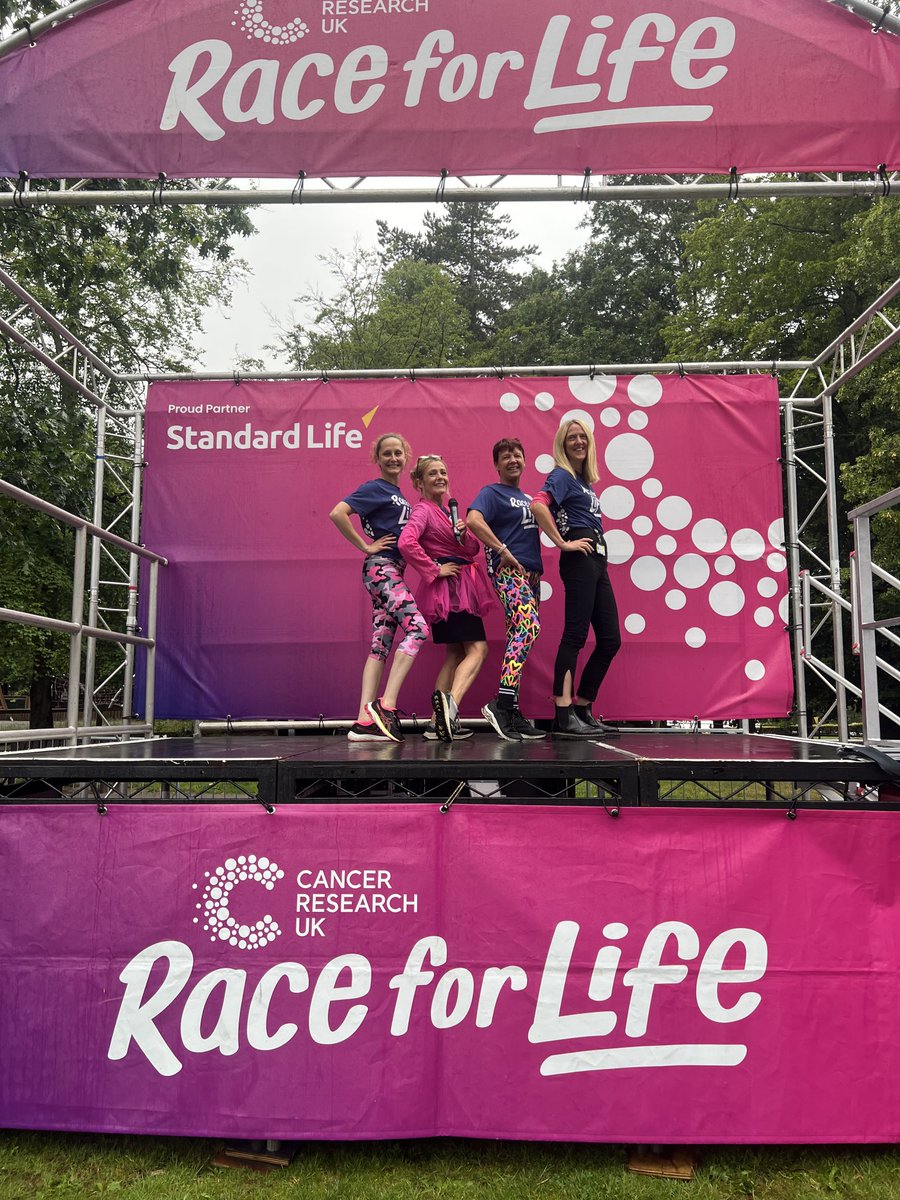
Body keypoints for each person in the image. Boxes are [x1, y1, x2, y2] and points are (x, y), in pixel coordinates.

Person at [328, 432, 427, 743]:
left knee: (380, 645)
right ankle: (385, 707)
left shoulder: (399, 494)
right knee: (418, 629)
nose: (393, 458)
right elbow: (337, 513)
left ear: (406, 456)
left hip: (390, 570)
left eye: (398, 453)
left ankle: (363, 722)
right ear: (378, 458)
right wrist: (365, 546)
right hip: (381, 568)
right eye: (387, 453)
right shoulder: (375, 488)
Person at [530, 419, 621, 738]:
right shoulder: (562, 475)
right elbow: (538, 504)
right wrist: (562, 542)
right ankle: (563, 713)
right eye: (572, 437)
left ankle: (582, 707)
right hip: (579, 559)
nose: (579, 441)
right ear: (563, 444)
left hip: (597, 560)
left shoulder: (584, 482)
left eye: (583, 436)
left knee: (610, 639)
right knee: (575, 635)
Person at [398, 454, 494, 743]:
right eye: (433, 473)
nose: (440, 477)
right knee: (478, 650)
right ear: (419, 482)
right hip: (451, 592)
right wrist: (434, 569)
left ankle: (434, 724)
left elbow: (472, 551)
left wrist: (463, 535)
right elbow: (406, 542)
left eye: (443, 472)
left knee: (455, 654)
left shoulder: (446, 512)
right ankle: (449, 712)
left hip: (456, 589)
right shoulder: (423, 510)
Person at [467, 438, 547, 741]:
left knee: (519, 636)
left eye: (517, 455)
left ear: (524, 460)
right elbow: (473, 520)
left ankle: (510, 708)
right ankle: (501, 705)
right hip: (509, 571)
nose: (513, 460)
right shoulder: (492, 492)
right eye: (506, 456)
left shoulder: (528, 498)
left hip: (532, 575)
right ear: (497, 465)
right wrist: (501, 549)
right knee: (528, 627)